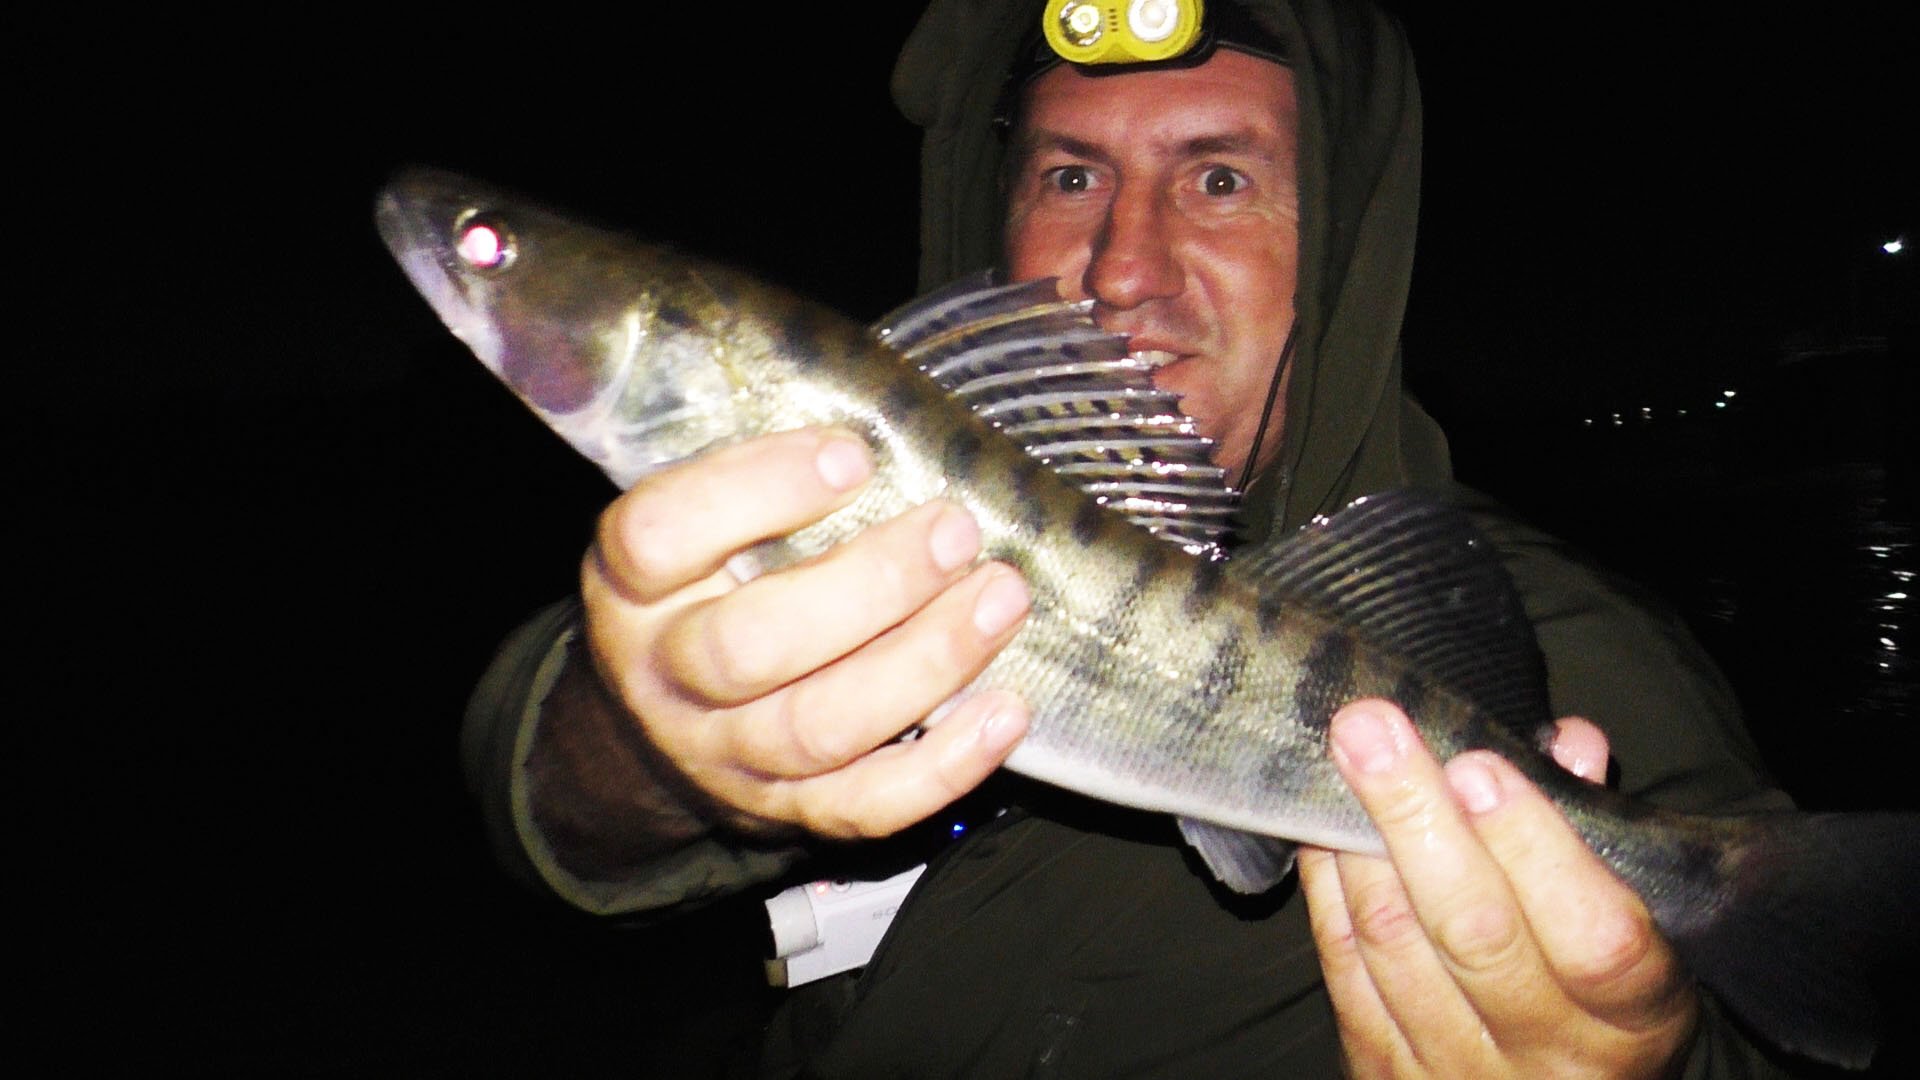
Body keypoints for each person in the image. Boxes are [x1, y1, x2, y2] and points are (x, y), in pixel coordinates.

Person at [462, 1, 1798, 1074]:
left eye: (1218, 177)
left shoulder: (1588, 663)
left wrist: (1651, 1052)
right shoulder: (863, 517)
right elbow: (537, 800)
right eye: (1068, 172)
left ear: (1339, 248)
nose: (1122, 266)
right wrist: (646, 738)